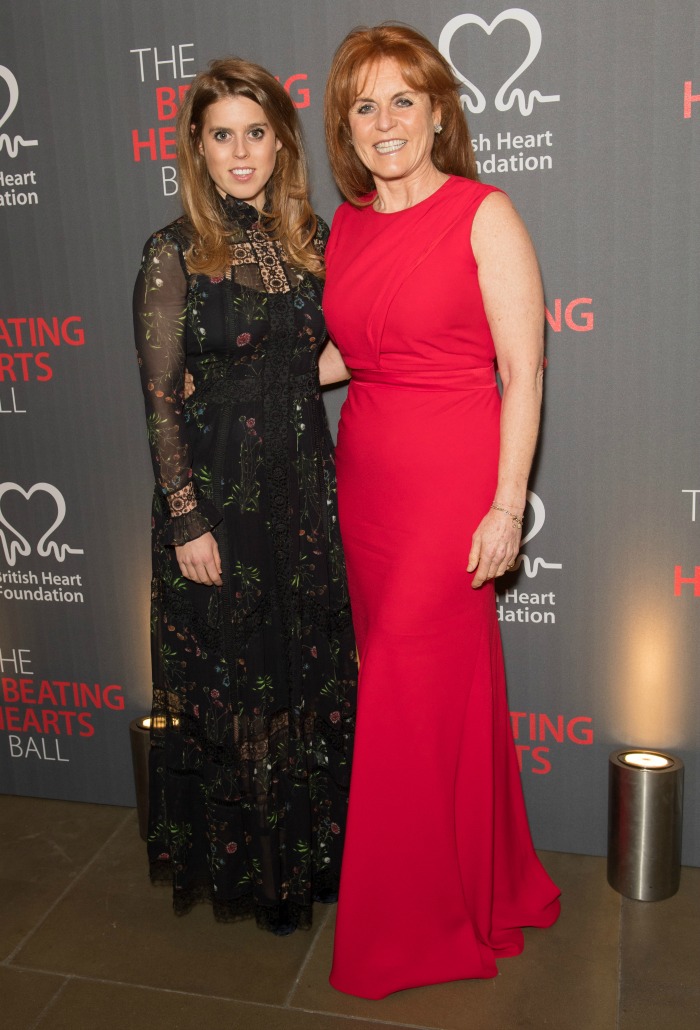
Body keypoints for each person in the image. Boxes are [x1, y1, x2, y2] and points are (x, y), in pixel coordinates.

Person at [321, 25, 561, 997]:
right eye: (364, 105)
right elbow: (351, 349)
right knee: (425, 697)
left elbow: (522, 369)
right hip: (367, 480)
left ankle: (409, 926)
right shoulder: (343, 224)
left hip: (452, 482)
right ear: (345, 124)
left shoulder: (481, 212)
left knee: (401, 696)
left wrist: (507, 504)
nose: (386, 123)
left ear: (436, 111)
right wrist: (247, 383)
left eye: (403, 101)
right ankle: (476, 882)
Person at [133, 58, 357, 936]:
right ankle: (262, 876)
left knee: (305, 673)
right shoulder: (174, 252)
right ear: (197, 144)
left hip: (304, 490)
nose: (240, 151)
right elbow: (159, 400)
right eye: (222, 134)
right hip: (222, 499)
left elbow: (327, 355)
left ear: (280, 143)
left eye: (256, 133)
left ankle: (312, 860)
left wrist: (310, 379)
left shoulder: (311, 242)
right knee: (245, 686)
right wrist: (187, 516)